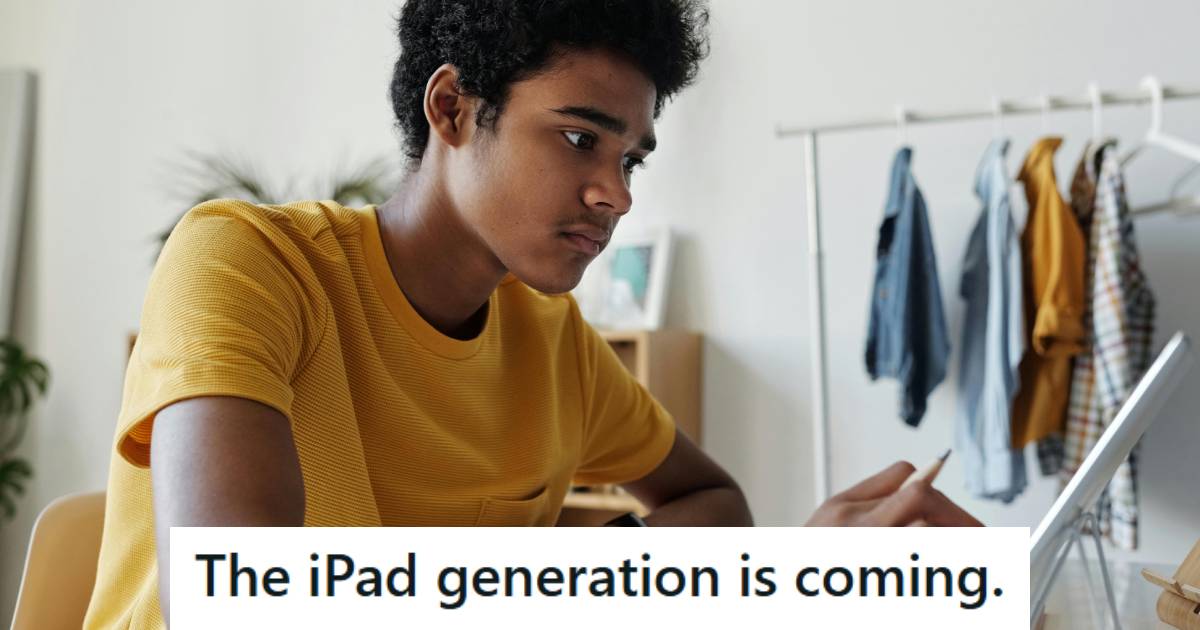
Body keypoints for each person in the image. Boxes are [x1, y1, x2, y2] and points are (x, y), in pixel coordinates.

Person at [83, 1, 980, 627]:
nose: (616, 194)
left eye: (633, 159)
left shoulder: (553, 345)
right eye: (580, 137)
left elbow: (712, 502)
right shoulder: (248, 262)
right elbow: (242, 596)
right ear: (452, 109)